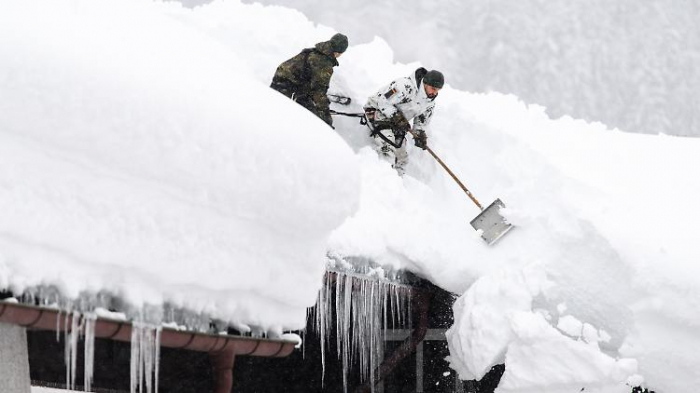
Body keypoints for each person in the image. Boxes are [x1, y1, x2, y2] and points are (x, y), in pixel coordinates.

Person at [363, 68, 444, 175]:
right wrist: (397, 117)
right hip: (377, 111)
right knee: (388, 147)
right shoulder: (404, 86)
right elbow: (383, 101)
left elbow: (421, 122)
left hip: (398, 123)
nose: (435, 92)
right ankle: (382, 177)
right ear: (425, 83)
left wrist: (419, 134)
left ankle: (397, 185)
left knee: (402, 158)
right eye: (433, 88)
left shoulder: (429, 103)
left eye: (438, 90)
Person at [270, 33, 349, 127]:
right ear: (338, 52)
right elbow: (319, 92)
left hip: (286, 78)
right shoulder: (324, 63)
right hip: (285, 83)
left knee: (305, 101)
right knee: (276, 115)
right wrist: (326, 118)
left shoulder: (319, 51)